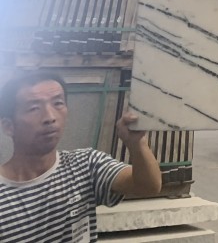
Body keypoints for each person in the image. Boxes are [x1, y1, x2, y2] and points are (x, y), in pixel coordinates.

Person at [0, 70, 162, 242]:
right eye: (34, 108)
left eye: (58, 103)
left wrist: (137, 144)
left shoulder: (86, 165)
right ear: (8, 126)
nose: (50, 117)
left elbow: (148, 186)